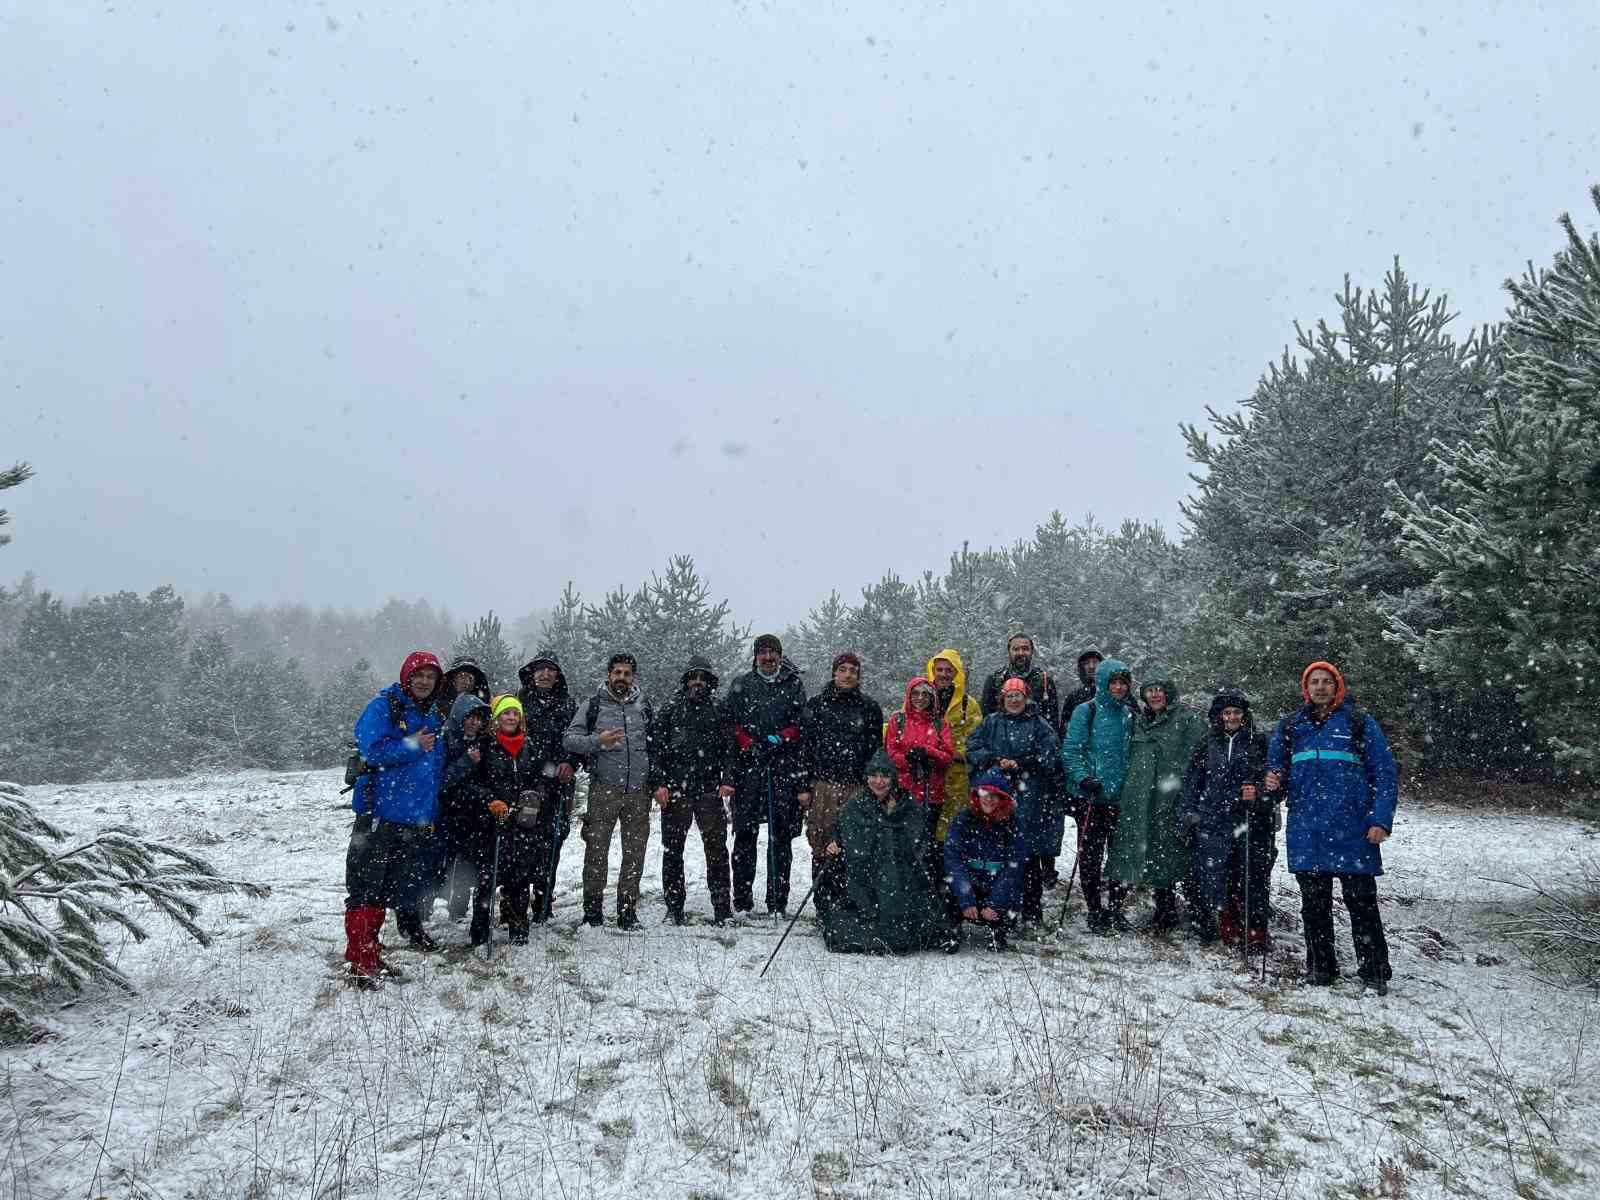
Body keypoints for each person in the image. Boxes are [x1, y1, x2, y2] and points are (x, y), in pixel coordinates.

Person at [1266, 662, 1398, 993]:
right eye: (1315, 682)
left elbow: (1384, 775)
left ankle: (1374, 972)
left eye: (1327, 682)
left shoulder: (1359, 724)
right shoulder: (1290, 727)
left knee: (1362, 903)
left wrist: (1380, 820)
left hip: (1353, 830)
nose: (1321, 687)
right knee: (1314, 905)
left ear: (1337, 686)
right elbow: (1276, 775)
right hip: (1307, 830)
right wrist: (1272, 781)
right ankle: (1321, 969)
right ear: (1305, 688)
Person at [342, 651, 447, 987]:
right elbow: (371, 751)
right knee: (365, 888)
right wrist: (412, 745)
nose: (424, 682)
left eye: (431, 677)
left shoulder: (430, 714)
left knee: (385, 889)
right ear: (406, 677)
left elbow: (432, 772)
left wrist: (428, 814)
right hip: (378, 814)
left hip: (409, 819)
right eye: (419, 675)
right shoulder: (384, 707)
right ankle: (361, 961)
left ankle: (370, 953)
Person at [819, 750, 948, 954]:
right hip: (866, 873)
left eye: (885, 776)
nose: (879, 782)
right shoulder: (856, 804)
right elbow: (842, 828)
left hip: (899, 874)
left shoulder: (907, 804)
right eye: (874, 776)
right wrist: (835, 841)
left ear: (893, 778)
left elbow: (918, 840)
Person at [1107, 672, 1207, 935]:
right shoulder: (1137, 721)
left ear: (1169, 693)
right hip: (1137, 799)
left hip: (1170, 797)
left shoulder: (1185, 720)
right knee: (1132, 849)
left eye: (1159, 689)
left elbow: (1200, 756)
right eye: (1149, 690)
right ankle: (1115, 908)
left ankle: (1173, 911)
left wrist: (1187, 793)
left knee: (1169, 852)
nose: (1154, 695)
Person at [563, 652, 654, 929]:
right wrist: (597, 741)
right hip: (604, 789)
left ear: (633, 677)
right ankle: (592, 912)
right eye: (617, 673)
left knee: (635, 852)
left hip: (638, 791)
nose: (621, 678)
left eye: (627, 674)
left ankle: (627, 911)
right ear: (608, 675)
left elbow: (656, 745)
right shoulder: (592, 705)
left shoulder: (645, 706)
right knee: (596, 851)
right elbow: (570, 740)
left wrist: (656, 781)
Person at [966, 677, 1065, 926]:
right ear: (1002, 698)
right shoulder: (991, 722)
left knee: (1028, 856)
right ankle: (1000, 909)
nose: (1013, 700)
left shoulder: (1039, 725)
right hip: (997, 795)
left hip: (1030, 798)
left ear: (1026, 698)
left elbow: (1051, 754)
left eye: (1018, 696)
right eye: (1009, 696)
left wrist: (1023, 763)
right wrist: (993, 760)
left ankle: (1031, 910)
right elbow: (973, 747)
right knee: (997, 854)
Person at [722, 634, 809, 918]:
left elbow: (801, 723)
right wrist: (746, 741)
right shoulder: (742, 684)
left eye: (773, 652)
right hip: (749, 768)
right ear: (755, 656)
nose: (768, 657)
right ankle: (743, 901)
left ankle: (777, 902)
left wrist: (782, 738)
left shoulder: (793, 684)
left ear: (780, 656)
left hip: (783, 768)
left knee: (780, 838)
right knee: (745, 835)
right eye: (763, 652)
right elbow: (729, 722)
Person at [648, 655, 734, 925]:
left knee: (717, 851)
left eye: (703, 677)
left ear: (709, 681)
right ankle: (674, 908)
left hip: (709, 790)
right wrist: (659, 783)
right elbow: (656, 748)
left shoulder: (719, 709)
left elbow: (730, 749)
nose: (698, 682)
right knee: (673, 851)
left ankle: (722, 908)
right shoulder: (671, 708)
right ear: (686, 680)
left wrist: (728, 778)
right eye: (693, 677)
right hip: (676, 791)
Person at [1181, 688, 1270, 947]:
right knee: (1220, 874)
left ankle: (1255, 931)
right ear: (1218, 716)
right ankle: (1227, 923)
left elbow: (1274, 778)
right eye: (1226, 713)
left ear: (1244, 714)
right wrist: (1189, 813)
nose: (1231, 717)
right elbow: (1192, 781)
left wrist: (1259, 792)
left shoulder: (1258, 741)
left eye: (1236, 712)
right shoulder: (1207, 742)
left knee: (1252, 875)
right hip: (1214, 818)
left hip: (1249, 818)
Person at [799, 651, 884, 916]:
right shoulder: (817, 705)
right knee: (823, 844)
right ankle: (824, 904)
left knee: (855, 845)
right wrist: (803, 785)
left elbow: (875, 750)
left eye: (853, 671)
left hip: (857, 786)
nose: (848, 675)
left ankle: (853, 902)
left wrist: (875, 786)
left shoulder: (869, 708)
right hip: (823, 785)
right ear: (834, 672)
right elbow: (805, 748)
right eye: (843, 669)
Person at [1061, 657, 1137, 935]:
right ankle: (1095, 909)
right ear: (1103, 683)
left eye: (1123, 683)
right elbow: (1071, 750)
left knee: (1121, 856)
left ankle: (1115, 908)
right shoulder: (1087, 711)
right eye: (1113, 682)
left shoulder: (1130, 714)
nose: (1118, 687)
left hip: (1121, 798)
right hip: (1092, 797)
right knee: (1090, 857)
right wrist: (1083, 778)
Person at [475, 695, 544, 945]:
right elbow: (476, 780)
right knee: (487, 878)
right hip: (492, 822)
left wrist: (535, 797)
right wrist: (489, 800)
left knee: (519, 875)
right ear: (496, 718)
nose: (511, 717)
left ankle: (518, 927)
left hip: (523, 821)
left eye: (515, 713)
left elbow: (539, 777)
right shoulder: (485, 745)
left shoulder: (529, 745)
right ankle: (480, 931)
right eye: (506, 713)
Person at [516, 651, 578, 923]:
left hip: (558, 787)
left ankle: (543, 901)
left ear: (557, 675)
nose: (545, 674)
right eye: (540, 669)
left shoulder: (568, 704)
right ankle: (515, 903)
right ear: (532, 673)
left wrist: (571, 762)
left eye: (550, 670)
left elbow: (578, 739)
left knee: (552, 843)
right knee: (520, 844)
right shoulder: (519, 702)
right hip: (525, 785)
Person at [943, 768, 1028, 952]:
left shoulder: (1012, 823)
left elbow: (1014, 868)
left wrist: (995, 903)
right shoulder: (963, 819)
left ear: (1002, 799)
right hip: (970, 882)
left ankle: (998, 932)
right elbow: (953, 859)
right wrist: (966, 898)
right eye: (985, 794)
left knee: (1013, 893)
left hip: (996, 883)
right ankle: (952, 930)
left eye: (994, 795)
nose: (988, 799)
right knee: (948, 888)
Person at [430, 692, 491, 931]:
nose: (475, 722)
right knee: (440, 864)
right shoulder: (444, 739)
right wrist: (466, 762)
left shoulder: (481, 741)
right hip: (446, 815)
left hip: (473, 815)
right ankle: (423, 909)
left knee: (467, 864)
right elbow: (440, 781)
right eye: (470, 717)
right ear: (459, 717)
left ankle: (459, 909)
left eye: (479, 718)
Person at [980, 633, 1062, 728]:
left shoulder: (1044, 681)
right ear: (1009, 652)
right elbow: (986, 720)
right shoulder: (995, 680)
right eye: (1015, 649)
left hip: (1036, 738)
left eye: (1025, 649)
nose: (1020, 653)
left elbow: (1052, 723)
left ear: (1032, 652)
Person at [1058, 648, 1103, 735]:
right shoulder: (1074, 697)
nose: (1091, 666)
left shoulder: (1116, 692)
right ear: (1082, 668)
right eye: (1087, 663)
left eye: (1095, 662)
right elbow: (1065, 732)